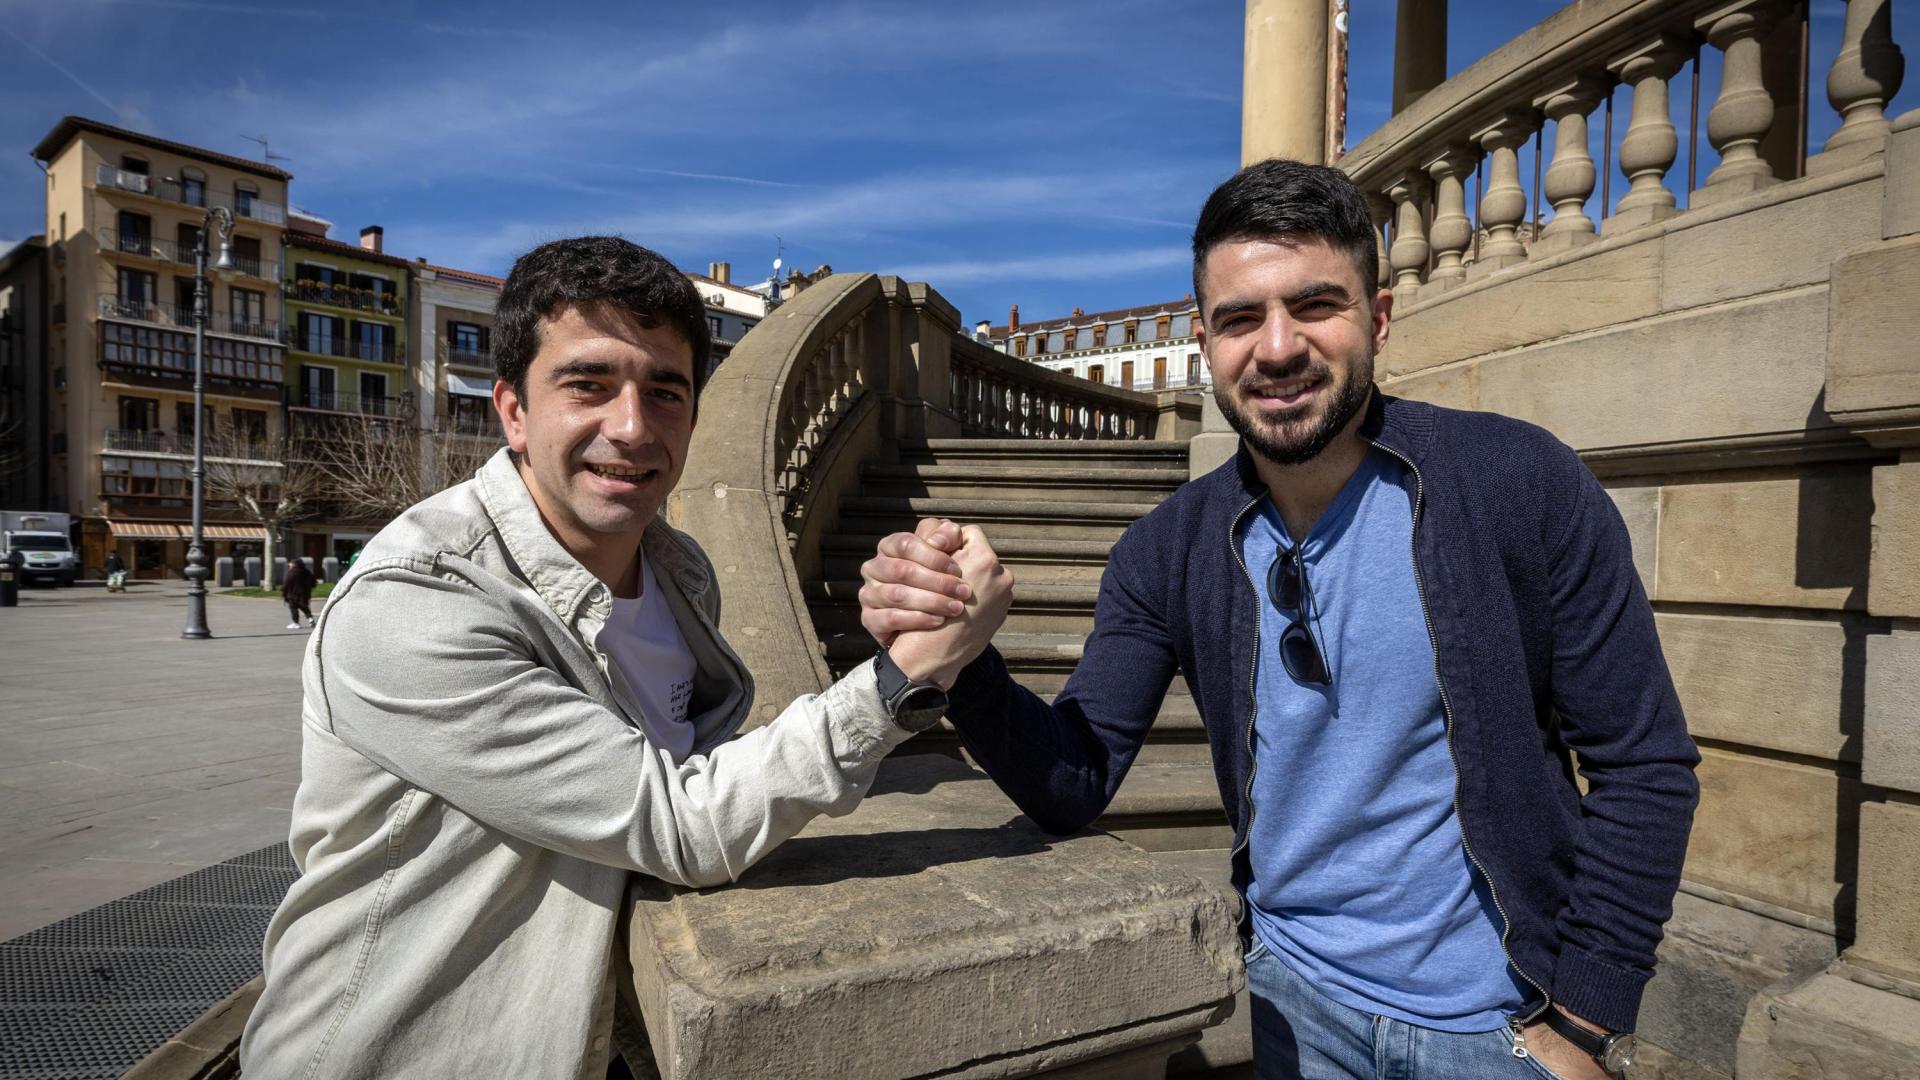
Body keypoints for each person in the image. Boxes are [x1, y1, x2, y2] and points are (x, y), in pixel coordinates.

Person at [859, 160, 1699, 1080]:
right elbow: (1075, 774)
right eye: (1239, 318)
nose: (1278, 347)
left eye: (1315, 306)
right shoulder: (1165, 550)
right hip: (1293, 1006)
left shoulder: (1517, 483)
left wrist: (1587, 1020)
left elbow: (1642, 763)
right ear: (1204, 342)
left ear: (1377, 319)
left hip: (1502, 1021)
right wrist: (964, 655)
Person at [239, 236, 1009, 1080]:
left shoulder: (680, 574)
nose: (633, 427)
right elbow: (675, 823)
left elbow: (697, 770)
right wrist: (903, 676)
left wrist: (910, 604)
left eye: (665, 391)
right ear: (512, 411)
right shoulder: (414, 600)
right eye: (588, 384)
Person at [280, 557, 316, 629]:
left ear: (294, 565)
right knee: (304, 607)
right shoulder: (307, 572)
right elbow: (313, 583)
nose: (289, 565)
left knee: (293, 608)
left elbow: (287, 583)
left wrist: (283, 592)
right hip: (305, 594)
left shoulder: (292, 572)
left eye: (290, 564)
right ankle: (310, 619)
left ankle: (296, 623)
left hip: (293, 594)